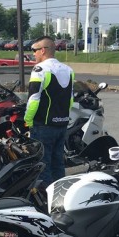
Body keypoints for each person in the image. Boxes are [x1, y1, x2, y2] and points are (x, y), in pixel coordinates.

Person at [24, 36, 74, 187]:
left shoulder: (40, 69)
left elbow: (33, 99)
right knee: (58, 163)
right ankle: (60, 194)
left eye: (34, 50)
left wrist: (28, 120)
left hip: (43, 125)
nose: (33, 54)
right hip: (62, 124)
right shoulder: (68, 70)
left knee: (42, 165)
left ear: (43, 50)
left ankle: (45, 197)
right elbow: (70, 99)